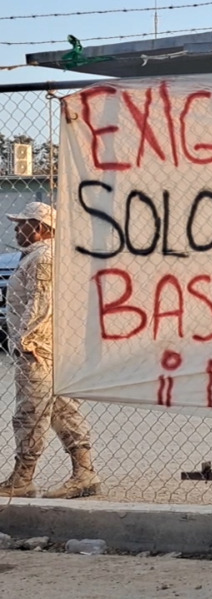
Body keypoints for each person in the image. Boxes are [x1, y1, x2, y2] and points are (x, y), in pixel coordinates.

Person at [0, 202, 99, 499]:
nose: (17, 228)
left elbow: (41, 302)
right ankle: (84, 473)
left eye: (23, 223)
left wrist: (26, 341)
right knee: (63, 409)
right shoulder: (44, 255)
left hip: (40, 350)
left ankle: (23, 478)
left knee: (30, 413)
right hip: (53, 348)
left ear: (40, 228)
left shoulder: (43, 257)